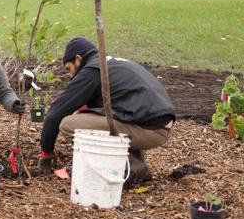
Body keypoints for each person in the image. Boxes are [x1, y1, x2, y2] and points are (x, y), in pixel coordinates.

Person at [38, 37, 176, 185]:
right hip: (159, 123)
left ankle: (126, 168)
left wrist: (47, 150)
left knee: (69, 124)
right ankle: (134, 164)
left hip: (150, 129)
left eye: (69, 69)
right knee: (97, 119)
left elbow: (56, 113)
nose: (70, 75)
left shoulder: (92, 69)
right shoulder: (111, 63)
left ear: (78, 59)